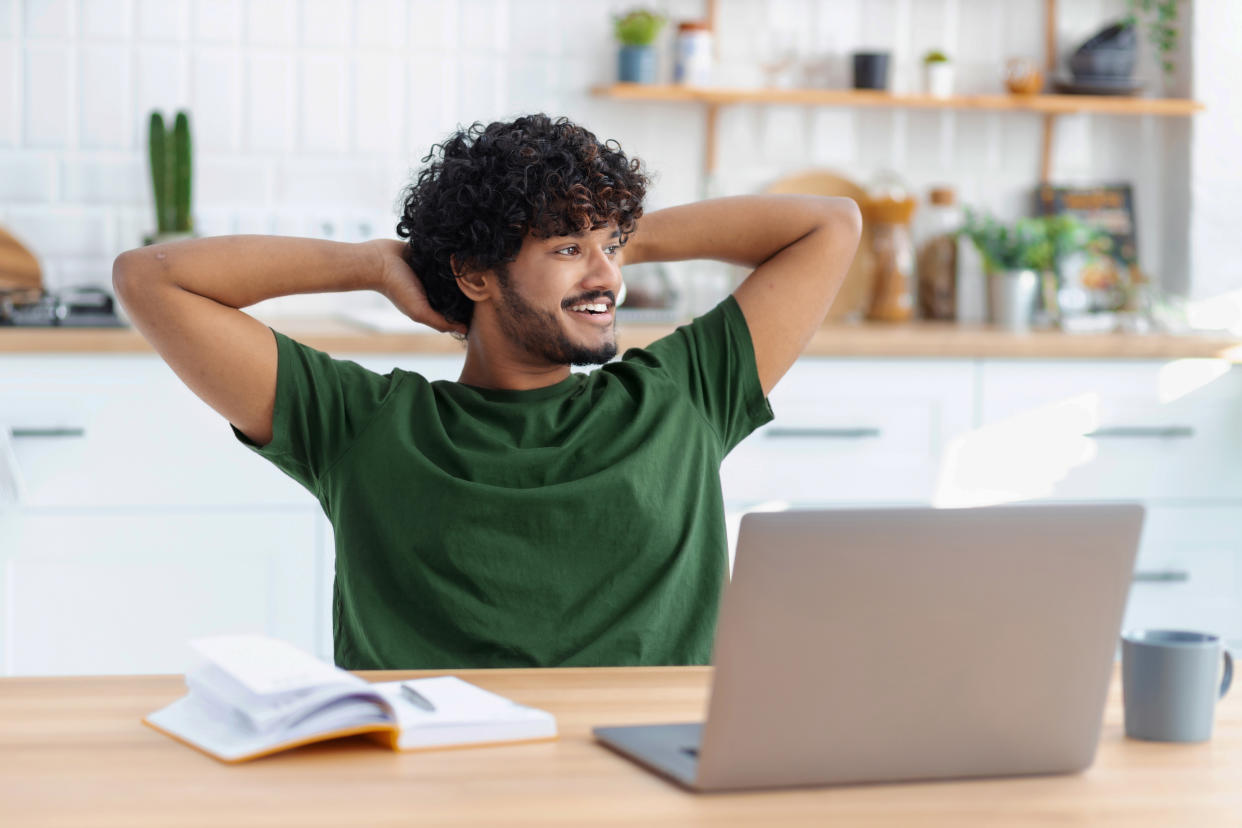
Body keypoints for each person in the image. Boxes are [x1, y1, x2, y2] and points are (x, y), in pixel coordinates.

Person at [113, 113, 861, 670]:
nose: (607, 278)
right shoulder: (362, 425)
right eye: (566, 249)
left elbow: (831, 224)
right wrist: (372, 264)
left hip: (645, 782)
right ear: (475, 275)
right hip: (434, 785)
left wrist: (606, 236)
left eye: (613, 247)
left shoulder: (682, 398)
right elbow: (150, 277)